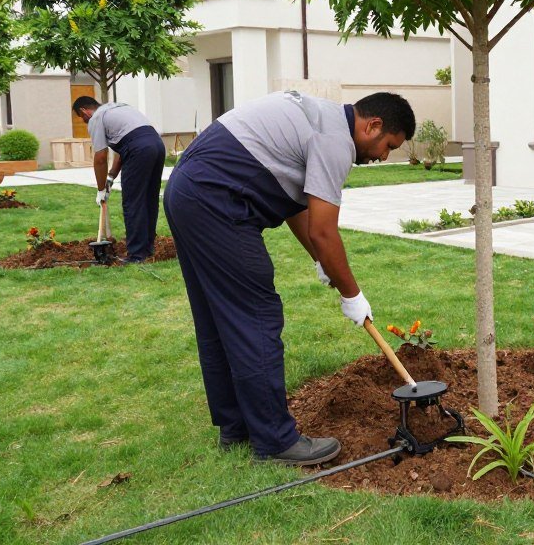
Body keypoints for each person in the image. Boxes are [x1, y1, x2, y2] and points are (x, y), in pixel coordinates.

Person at [163, 90, 414, 465]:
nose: (383, 157)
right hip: (217, 200)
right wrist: (352, 295)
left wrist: (321, 261)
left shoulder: (322, 118)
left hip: (188, 192)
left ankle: (237, 428)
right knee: (256, 316)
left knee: (218, 320)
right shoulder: (335, 142)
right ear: (372, 125)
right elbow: (325, 232)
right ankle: (276, 441)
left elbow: (298, 206)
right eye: (388, 146)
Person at [72, 97, 166, 264]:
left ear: (83, 111)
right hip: (157, 145)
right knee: (149, 199)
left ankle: (137, 255)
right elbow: (123, 147)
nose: (84, 121)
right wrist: (110, 177)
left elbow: (100, 157)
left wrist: (101, 189)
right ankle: (147, 249)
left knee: (133, 202)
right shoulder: (118, 108)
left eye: (81, 118)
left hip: (138, 149)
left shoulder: (96, 118)